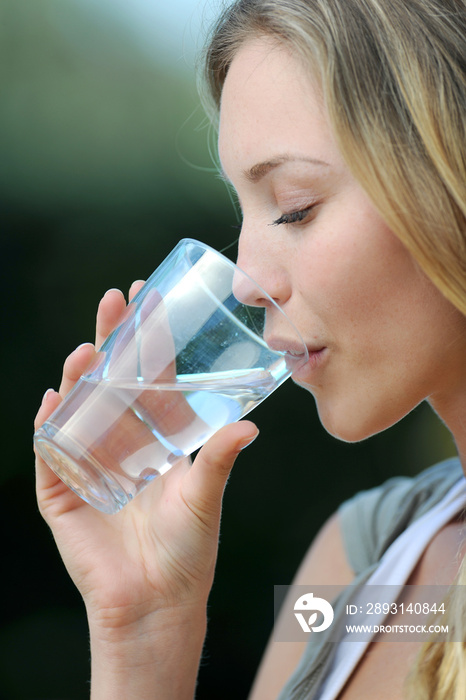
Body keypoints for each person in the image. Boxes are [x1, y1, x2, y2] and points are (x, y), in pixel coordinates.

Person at [34, 0, 466, 698]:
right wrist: (141, 635)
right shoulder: (358, 560)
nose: (246, 278)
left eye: (295, 206)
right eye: (244, 212)